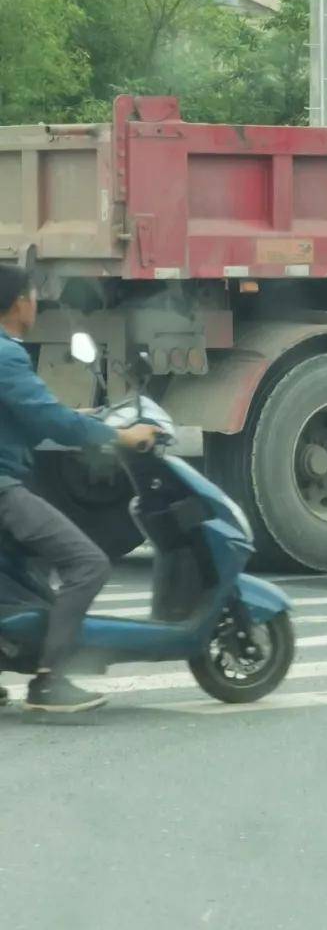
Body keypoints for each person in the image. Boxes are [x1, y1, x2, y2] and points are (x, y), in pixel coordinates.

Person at [0, 266, 157, 712]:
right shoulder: (6, 354)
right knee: (87, 563)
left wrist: (82, 414)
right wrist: (119, 436)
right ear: (18, 304)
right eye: (32, 296)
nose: (36, 304)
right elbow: (48, 420)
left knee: (16, 574)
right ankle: (51, 681)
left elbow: (26, 411)